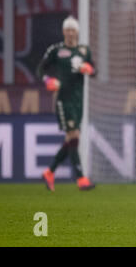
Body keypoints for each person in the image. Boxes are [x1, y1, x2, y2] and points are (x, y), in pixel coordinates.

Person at [37, 16, 96, 191]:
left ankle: (49, 172)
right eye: (67, 30)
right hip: (63, 99)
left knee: (71, 139)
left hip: (78, 100)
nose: (70, 33)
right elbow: (40, 68)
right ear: (63, 32)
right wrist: (47, 79)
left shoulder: (84, 51)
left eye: (73, 30)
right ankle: (81, 179)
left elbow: (94, 70)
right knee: (74, 136)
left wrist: (90, 69)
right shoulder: (56, 50)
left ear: (77, 32)